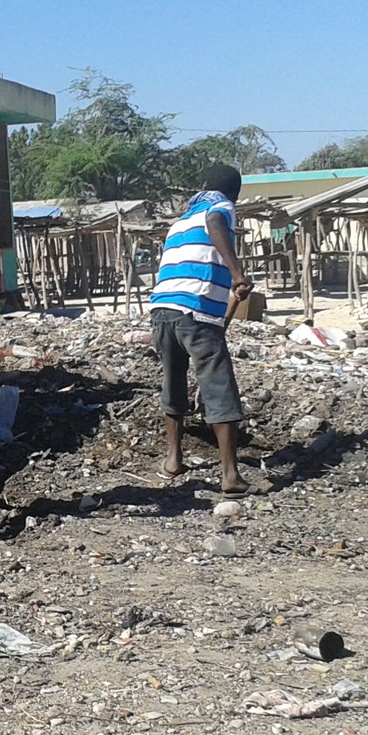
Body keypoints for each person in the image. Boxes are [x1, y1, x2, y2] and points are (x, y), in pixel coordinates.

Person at [149, 162, 254, 494]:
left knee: (173, 382)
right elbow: (215, 223)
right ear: (234, 192)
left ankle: (173, 460)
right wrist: (237, 274)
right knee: (218, 386)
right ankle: (231, 477)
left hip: (163, 308)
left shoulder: (180, 221)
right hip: (196, 310)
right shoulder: (219, 207)